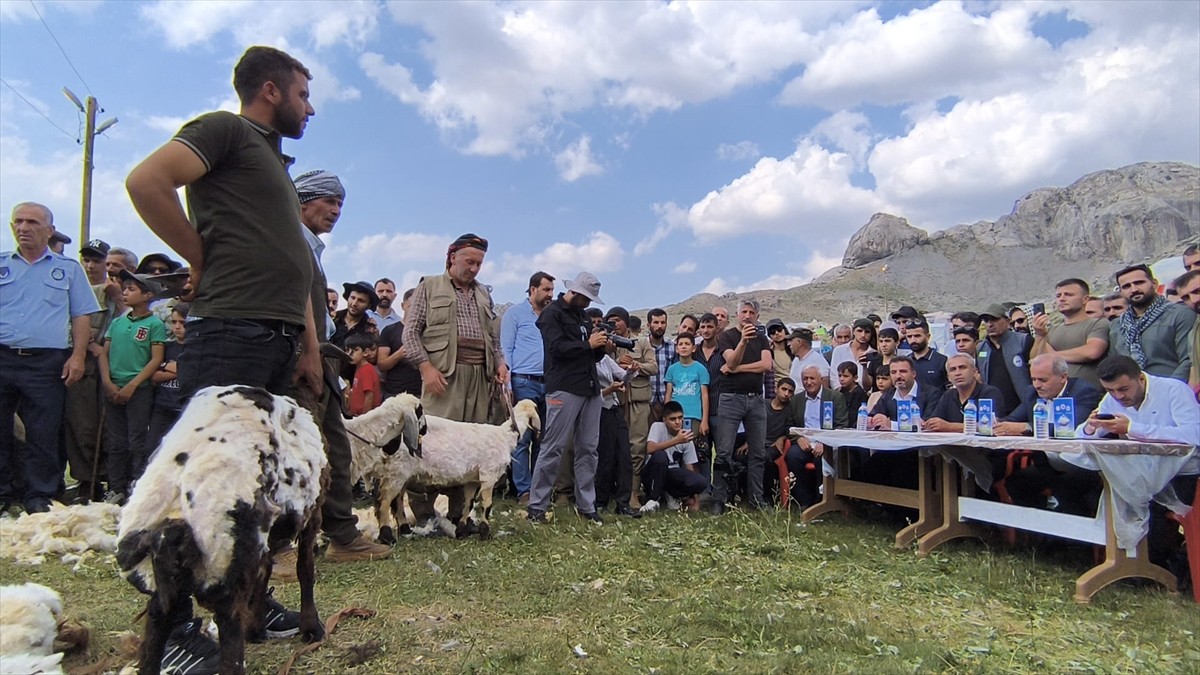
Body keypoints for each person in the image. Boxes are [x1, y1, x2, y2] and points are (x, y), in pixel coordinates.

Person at [124, 45, 324, 664]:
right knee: (200, 483)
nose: (309, 107)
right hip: (230, 328)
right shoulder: (225, 131)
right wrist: (197, 253)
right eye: (303, 93)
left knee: (254, 482)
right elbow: (146, 181)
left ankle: (248, 600)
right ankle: (179, 628)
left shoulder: (274, 165)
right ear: (270, 89)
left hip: (277, 336)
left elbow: (292, 265)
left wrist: (310, 346)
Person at [287, 168, 391, 577]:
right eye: (328, 201)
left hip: (322, 360)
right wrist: (307, 352)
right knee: (295, 453)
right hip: (299, 358)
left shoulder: (311, 247)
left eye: (340, 204)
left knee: (335, 447)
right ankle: (280, 545)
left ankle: (343, 536)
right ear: (303, 200)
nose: (336, 210)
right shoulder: (288, 239)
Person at [1, 202, 100, 515]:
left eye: (32, 222)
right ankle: (4, 493)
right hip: (2, 357)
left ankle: (39, 494)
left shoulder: (68, 269)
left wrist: (78, 356)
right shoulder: (2, 264)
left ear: (50, 230)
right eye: (18, 221)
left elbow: (81, 315)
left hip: (46, 362)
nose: (23, 228)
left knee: (43, 430)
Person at [404, 233, 508, 525]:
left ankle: (460, 515)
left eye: (479, 263)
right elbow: (410, 333)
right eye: (469, 261)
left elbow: (493, 338)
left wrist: (500, 364)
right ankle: (423, 514)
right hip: (442, 377)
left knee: (471, 445)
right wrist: (426, 368)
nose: (474, 268)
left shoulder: (484, 293)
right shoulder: (429, 286)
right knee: (432, 444)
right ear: (452, 258)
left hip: (479, 378)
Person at [1066, 355, 1199, 567]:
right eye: (1110, 391)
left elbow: (1193, 434)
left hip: (1182, 472)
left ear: (1141, 378)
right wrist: (1091, 427)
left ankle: (1155, 567)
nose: (1118, 396)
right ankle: (1126, 563)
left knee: (1149, 505)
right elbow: (1081, 437)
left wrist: (1132, 429)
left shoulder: (1174, 390)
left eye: (1124, 389)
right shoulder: (1112, 399)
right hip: (1138, 472)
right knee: (1096, 492)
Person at [526, 272, 609, 525]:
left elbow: (592, 356)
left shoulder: (583, 317)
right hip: (564, 387)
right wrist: (588, 345)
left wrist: (600, 346)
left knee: (588, 449)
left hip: (590, 388)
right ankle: (537, 505)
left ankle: (586, 505)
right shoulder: (551, 314)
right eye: (585, 298)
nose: (588, 304)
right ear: (575, 292)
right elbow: (556, 349)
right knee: (553, 446)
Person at [98, 271, 169, 504]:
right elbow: (103, 354)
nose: (126, 293)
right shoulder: (118, 322)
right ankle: (115, 487)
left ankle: (136, 485)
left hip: (138, 390)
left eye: (132, 289)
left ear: (148, 295)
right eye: (125, 289)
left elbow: (155, 359)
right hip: (113, 387)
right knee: (115, 441)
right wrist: (107, 382)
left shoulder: (154, 324)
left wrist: (133, 384)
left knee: (137, 440)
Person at [64, 238, 120, 503]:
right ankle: (87, 480)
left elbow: (128, 322)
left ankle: (110, 479)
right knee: (81, 423)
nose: (90, 265)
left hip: (111, 361)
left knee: (107, 424)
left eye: (96, 260)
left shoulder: (114, 290)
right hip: (81, 360)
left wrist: (117, 297)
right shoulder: (72, 286)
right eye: (86, 259)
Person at [710, 299, 773, 513]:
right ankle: (719, 499)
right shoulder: (727, 336)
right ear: (737, 315)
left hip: (756, 400)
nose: (747, 315)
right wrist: (743, 342)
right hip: (731, 399)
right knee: (724, 452)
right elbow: (731, 360)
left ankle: (756, 498)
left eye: (751, 312)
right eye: (744, 312)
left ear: (757, 316)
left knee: (757, 453)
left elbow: (766, 365)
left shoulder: (763, 339)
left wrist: (736, 369)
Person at [501, 271, 555, 504]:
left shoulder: (552, 315)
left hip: (549, 381)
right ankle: (523, 489)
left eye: (551, 290)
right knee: (522, 437)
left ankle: (539, 489)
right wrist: (507, 382)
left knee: (544, 438)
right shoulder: (515, 314)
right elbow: (506, 347)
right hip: (523, 381)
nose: (550, 294)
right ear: (532, 289)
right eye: (546, 290)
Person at [605, 305, 656, 507]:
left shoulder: (642, 343)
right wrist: (616, 360)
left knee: (636, 448)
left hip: (638, 402)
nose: (614, 324)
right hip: (614, 402)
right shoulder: (606, 343)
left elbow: (653, 367)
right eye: (610, 320)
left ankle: (633, 492)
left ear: (626, 322)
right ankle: (611, 490)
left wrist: (636, 366)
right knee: (612, 449)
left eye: (617, 320)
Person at [1108, 264, 1194, 382]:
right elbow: (1115, 363)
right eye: (1127, 286)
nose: (1134, 289)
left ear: (1154, 283)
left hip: (1172, 388)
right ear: (1121, 292)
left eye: (1139, 283)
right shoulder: (1117, 325)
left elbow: (1189, 359)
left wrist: (1170, 390)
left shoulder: (1180, 314)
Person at [788, 367, 850, 506]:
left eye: (812, 378)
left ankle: (821, 501)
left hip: (826, 443)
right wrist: (798, 438)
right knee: (793, 456)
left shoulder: (835, 397)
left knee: (820, 461)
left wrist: (826, 442)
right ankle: (804, 501)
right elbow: (789, 425)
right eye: (805, 379)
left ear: (821, 380)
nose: (808, 382)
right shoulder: (796, 400)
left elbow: (842, 425)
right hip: (805, 441)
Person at [1031, 278, 1110, 388]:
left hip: (1088, 394)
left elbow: (1092, 352)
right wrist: (1040, 336)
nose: (1062, 299)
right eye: (1058, 296)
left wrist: (1052, 355)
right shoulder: (1051, 330)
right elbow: (1036, 361)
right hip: (1057, 396)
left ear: (1085, 299)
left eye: (1068, 295)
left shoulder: (1098, 324)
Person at [641, 401, 709, 513]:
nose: (677, 422)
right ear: (664, 420)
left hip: (672, 475)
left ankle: (671, 495)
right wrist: (676, 440)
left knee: (700, 481)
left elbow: (690, 468)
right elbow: (650, 448)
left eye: (680, 418)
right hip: (653, 472)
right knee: (660, 456)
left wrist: (695, 500)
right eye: (673, 419)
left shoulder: (686, 436)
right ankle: (653, 499)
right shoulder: (658, 427)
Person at [145, 303, 189, 457]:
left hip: (185, 407)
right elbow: (155, 375)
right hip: (163, 406)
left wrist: (168, 367)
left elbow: (192, 374)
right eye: (174, 322)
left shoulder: (195, 348)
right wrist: (177, 369)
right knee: (152, 447)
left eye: (182, 323)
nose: (177, 327)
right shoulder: (167, 347)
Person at [922, 353, 1006, 432]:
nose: (958, 373)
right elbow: (936, 422)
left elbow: (993, 425)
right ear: (948, 377)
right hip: (953, 445)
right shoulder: (948, 395)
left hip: (982, 445)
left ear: (975, 372)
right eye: (953, 369)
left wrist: (950, 427)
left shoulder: (990, 392)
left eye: (962, 367)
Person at [977, 303, 1033, 414]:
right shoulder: (980, 348)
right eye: (986, 321)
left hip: (1022, 407)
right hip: (992, 410)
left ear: (1007, 321)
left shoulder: (1024, 341)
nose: (990, 324)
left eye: (995, 319)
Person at [664, 332, 710, 463]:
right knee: (675, 450)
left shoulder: (700, 369)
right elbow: (668, 393)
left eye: (687, 344)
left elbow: (705, 395)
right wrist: (666, 415)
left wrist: (704, 420)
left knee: (692, 454)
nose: (684, 347)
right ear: (676, 348)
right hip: (675, 416)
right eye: (680, 344)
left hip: (693, 416)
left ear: (694, 348)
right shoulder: (672, 369)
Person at [377, 288, 422, 399]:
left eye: (420, 307)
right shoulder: (389, 330)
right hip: (394, 393)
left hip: (422, 393)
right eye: (412, 306)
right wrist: (399, 354)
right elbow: (382, 365)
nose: (416, 311)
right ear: (403, 306)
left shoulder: (428, 332)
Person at [1172, 269, 1200, 397]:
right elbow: (1194, 371)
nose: (1194, 300)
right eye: (1186, 297)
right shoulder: (1195, 329)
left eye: (1197, 291)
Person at [645, 308, 676, 421]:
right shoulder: (642, 346)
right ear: (649, 325)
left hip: (667, 400)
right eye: (656, 322)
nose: (660, 326)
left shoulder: (672, 347)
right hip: (647, 400)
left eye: (663, 322)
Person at [904, 316, 949, 391]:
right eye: (909, 336)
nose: (913, 340)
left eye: (917, 336)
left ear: (928, 337)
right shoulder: (905, 362)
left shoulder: (942, 361)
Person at [332, 281, 378, 350]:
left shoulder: (369, 329)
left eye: (361, 301)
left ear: (369, 305)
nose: (354, 303)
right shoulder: (333, 319)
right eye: (353, 298)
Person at [345, 334, 382, 417]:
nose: (350, 354)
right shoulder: (359, 368)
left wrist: (364, 418)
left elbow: (369, 396)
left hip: (364, 418)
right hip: (355, 415)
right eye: (347, 350)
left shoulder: (367, 370)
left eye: (355, 350)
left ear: (365, 352)